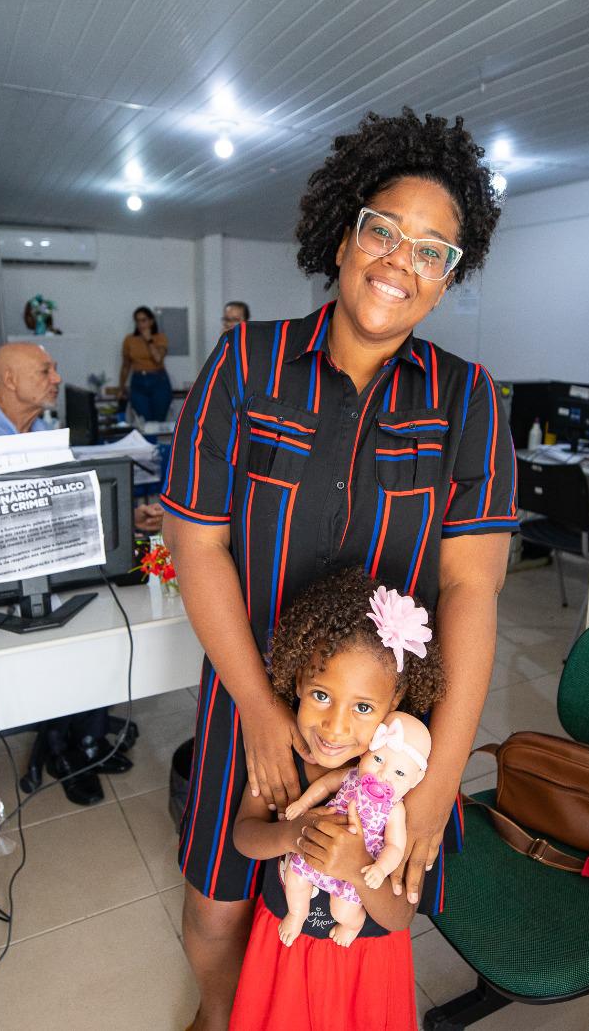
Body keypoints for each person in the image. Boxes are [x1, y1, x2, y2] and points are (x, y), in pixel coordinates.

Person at [161, 108, 514, 1030]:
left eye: (434, 250)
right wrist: (259, 711)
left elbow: (473, 589)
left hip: (384, 730)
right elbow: (195, 542)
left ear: (448, 280)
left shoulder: (467, 399)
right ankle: (220, 1017)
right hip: (248, 698)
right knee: (217, 907)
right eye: (385, 229)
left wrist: (437, 786)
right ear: (344, 231)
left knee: (346, 919)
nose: (402, 260)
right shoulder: (248, 363)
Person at [227, 570, 446, 1030]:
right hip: (284, 947)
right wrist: (291, 833)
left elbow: (400, 914)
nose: (336, 727)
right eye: (321, 695)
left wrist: (355, 869)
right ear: (297, 681)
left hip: (363, 962)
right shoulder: (280, 756)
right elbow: (244, 837)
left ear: (394, 708)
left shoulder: (400, 792)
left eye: (363, 708)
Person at [0, 343, 133, 806]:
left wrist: (124, 517)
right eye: (44, 370)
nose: (55, 377)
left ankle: (88, 737)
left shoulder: (45, 432)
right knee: (55, 645)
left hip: (51, 567)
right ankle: (64, 750)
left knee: (96, 626)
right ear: (9, 380)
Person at [119, 305, 172, 422]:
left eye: (144, 320)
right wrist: (121, 388)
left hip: (159, 381)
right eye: (137, 321)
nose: (141, 324)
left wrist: (149, 340)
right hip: (138, 382)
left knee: (158, 423)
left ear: (151, 321)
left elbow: (158, 359)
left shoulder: (160, 338)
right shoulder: (129, 340)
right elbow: (125, 365)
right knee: (143, 423)